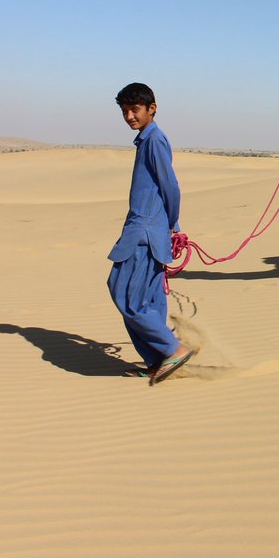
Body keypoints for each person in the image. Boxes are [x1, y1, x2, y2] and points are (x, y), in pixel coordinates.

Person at [107, 82, 195, 385]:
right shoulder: (146, 140)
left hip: (144, 232)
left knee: (124, 292)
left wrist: (172, 224)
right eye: (125, 111)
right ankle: (158, 359)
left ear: (151, 108)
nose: (130, 116)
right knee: (150, 300)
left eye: (135, 109)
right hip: (147, 230)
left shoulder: (155, 140)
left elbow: (171, 185)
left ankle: (173, 349)